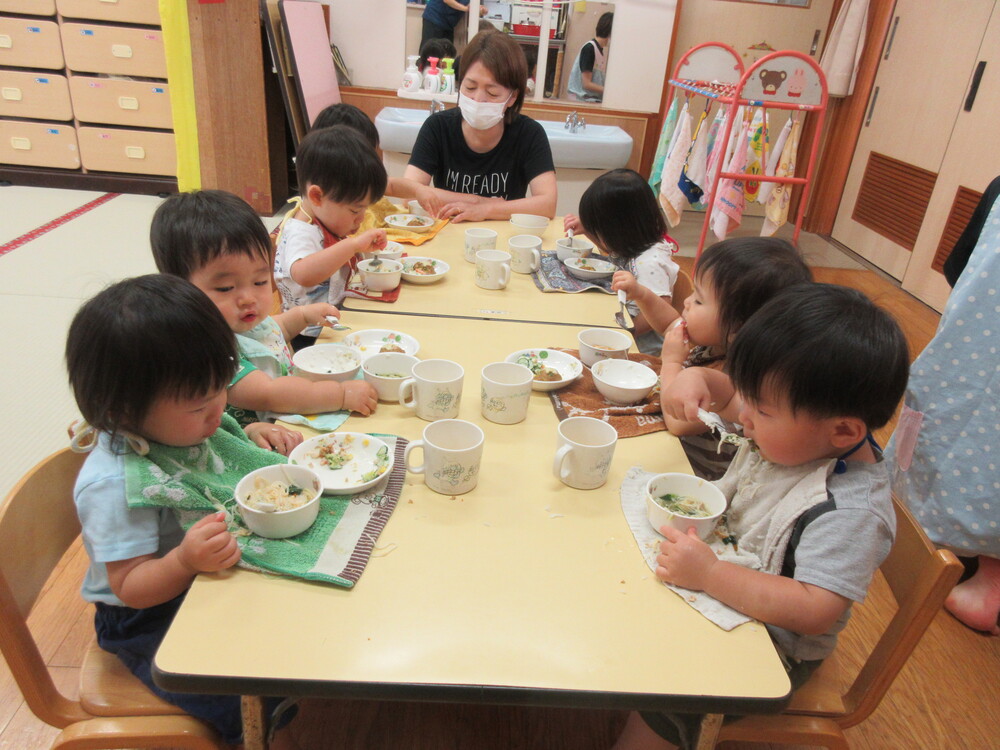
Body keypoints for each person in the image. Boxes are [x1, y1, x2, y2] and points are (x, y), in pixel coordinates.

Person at [619, 284, 910, 750]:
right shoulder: (798, 426)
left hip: (773, 649)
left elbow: (814, 610)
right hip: (731, 569)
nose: (743, 416)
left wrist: (713, 575)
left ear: (843, 431)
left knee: (671, 690)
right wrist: (702, 382)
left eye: (761, 409)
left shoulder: (851, 510)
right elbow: (732, 396)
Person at [66, 275, 301, 749]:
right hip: (143, 616)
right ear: (123, 411)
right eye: (200, 405)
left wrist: (246, 437)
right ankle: (248, 732)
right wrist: (183, 562)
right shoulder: (115, 484)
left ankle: (279, 691)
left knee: (286, 630)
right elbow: (129, 586)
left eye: (221, 390)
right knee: (234, 699)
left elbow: (216, 429)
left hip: (198, 578)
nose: (217, 411)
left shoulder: (178, 426)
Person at [150, 189, 378, 424]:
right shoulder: (208, 352)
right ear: (178, 287)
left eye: (259, 281)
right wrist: (340, 395)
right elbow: (269, 394)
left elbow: (269, 331)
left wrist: (301, 315)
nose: (249, 298)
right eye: (226, 288)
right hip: (259, 439)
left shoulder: (237, 321)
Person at [886, 182, 1000, 635]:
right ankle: (990, 580)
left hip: (978, 356)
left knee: (950, 426)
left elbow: (959, 265)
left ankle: (921, 541)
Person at [658, 237, 812, 479]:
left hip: (700, 479)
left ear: (738, 327)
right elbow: (669, 326)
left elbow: (678, 422)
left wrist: (672, 363)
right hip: (674, 456)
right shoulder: (714, 346)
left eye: (698, 300)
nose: (686, 302)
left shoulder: (744, 377)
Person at [399, 30, 557, 222]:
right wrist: (479, 202)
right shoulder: (438, 127)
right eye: (470, 87)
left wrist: (486, 211)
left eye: (492, 93)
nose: (478, 99)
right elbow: (408, 194)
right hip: (447, 234)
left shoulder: (529, 134)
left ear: (512, 97)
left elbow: (547, 204)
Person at [271, 125, 388, 347]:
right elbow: (303, 273)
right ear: (317, 196)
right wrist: (352, 246)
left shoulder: (321, 218)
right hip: (308, 333)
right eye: (355, 210)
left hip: (329, 320)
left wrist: (362, 248)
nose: (361, 218)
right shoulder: (301, 230)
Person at [564, 169, 680, 356]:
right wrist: (587, 230)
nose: (599, 237)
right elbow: (611, 251)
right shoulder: (635, 241)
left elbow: (661, 306)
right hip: (622, 320)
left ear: (620, 230)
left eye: (600, 231)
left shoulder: (650, 262)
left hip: (641, 348)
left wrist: (627, 331)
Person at [567, 11, 612, 103]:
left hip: (590, 98)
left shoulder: (600, 50)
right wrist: (610, 91)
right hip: (582, 99)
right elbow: (586, 84)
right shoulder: (589, 49)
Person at [419, 0, 484, 48]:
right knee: (429, 52)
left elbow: (471, 5)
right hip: (434, 18)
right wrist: (466, 9)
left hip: (448, 24)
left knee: (447, 54)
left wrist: (481, 9)